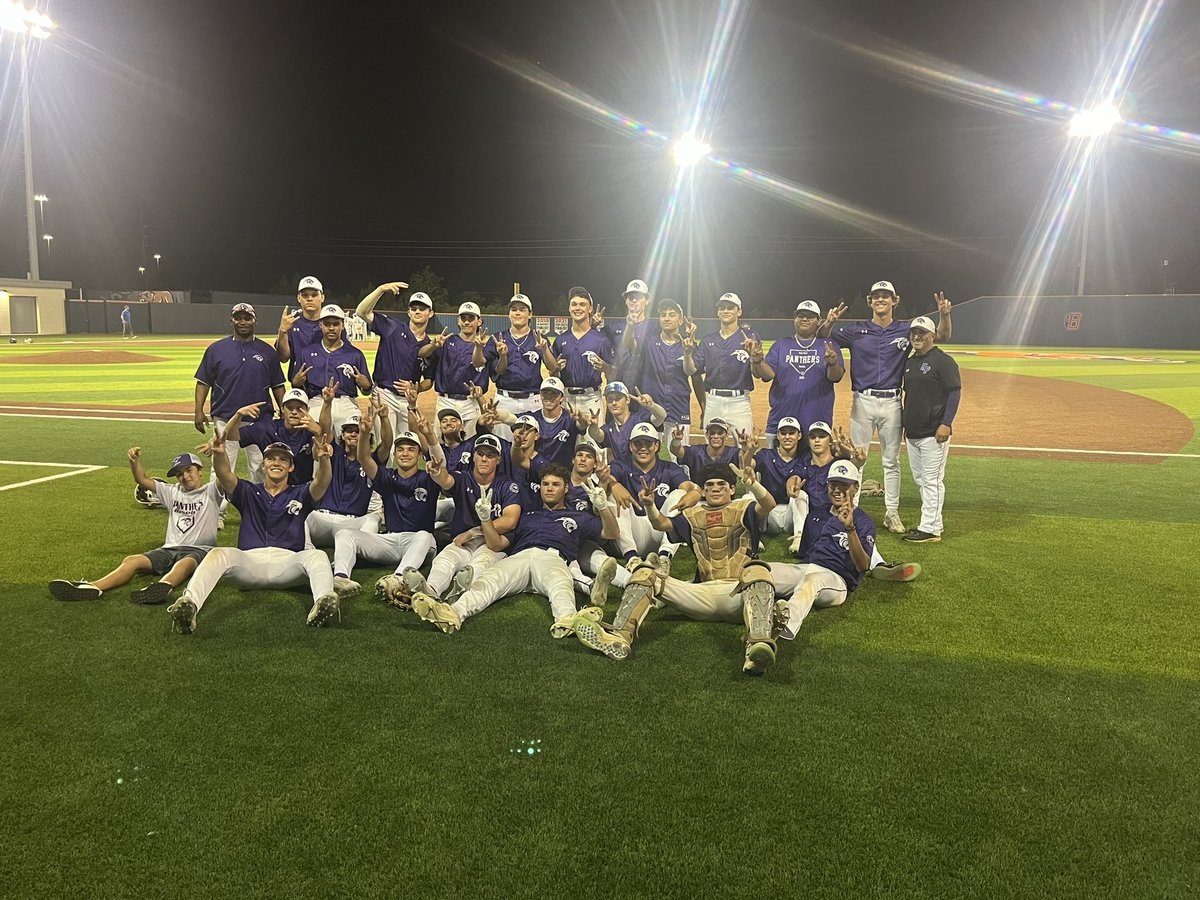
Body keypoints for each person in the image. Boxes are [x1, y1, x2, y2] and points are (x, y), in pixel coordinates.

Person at [570, 461, 782, 674]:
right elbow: (661, 524)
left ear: (732, 489)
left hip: (739, 596)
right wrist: (650, 505)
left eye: (721, 484)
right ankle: (620, 636)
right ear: (703, 491)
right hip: (702, 595)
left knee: (758, 570)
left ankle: (757, 644)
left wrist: (753, 484)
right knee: (646, 572)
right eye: (709, 485)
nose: (715, 489)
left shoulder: (744, 508)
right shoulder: (692, 515)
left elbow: (769, 505)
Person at [408, 463, 620, 637]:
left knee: (560, 586)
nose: (549, 488)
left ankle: (568, 621)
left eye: (556, 484)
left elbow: (611, 533)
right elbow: (496, 545)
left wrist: (603, 507)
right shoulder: (528, 516)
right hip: (520, 556)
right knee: (488, 582)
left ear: (566, 489)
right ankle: (452, 613)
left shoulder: (578, 517)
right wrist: (485, 521)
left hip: (553, 557)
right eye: (545, 484)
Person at [167, 434, 339, 634]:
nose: (277, 462)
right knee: (218, 553)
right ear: (263, 465)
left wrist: (324, 459)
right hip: (250, 563)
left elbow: (322, 481)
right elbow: (224, 474)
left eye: (283, 459)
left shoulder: (300, 492)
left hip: (289, 564)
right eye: (271, 458)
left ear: (291, 467)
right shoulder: (248, 491)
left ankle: (322, 604)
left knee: (317, 555)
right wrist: (220, 454)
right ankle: (189, 604)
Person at [818, 280, 952, 534]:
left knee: (891, 462)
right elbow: (824, 336)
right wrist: (830, 321)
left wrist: (944, 315)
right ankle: (851, 509)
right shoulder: (857, 330)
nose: (881, 299)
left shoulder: (905, 330)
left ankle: (892, 512)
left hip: (892, 401)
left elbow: (942, 335)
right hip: (863, 400)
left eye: (885, 296)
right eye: (876, 296)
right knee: (857, 458)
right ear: (870, 301)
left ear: (894, 301)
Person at [49, 449, 220, 605]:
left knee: (185, 564)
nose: (185, 477)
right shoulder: (172, 491)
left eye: (189, 470)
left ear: (200, 470)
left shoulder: (211, 492)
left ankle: (162, 587)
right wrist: (134, 461)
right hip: (168, 549)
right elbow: (142, 480)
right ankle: (93, 587)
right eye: (179, 474)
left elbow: (224, 475)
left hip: (199, 550)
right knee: (132, 561)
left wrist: (219, 454)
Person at [380, 431, 523, 608]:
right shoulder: (464, 478)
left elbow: (510, 520)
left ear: (498, 460)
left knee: (477, 568)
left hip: (492, 543)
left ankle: (458, 599)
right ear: (474, 457)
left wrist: (473, 531)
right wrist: (436, 472)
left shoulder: (507, 485)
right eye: (480, 454)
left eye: (490, 455)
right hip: (462, 543)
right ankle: (430, 593)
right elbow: (446, 479)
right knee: (444, 560)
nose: (484, 459)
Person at [328, 408, 440, 596]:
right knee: (345, 534)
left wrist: (430, 437)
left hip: (418, 543)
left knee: (425, 535)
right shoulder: (387, 477)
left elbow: (440, 461)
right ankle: (340, 578)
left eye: (411, 449)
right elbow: (364, 458)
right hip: (390, 539)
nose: (405, 454)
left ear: (420, 455)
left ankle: (397, 580)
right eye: (401, 450)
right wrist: (364, 433)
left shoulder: (429, 477)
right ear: (394, 454)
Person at [193, 302, 286, 510]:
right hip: (225, 417)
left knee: (260, 468)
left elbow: (278, 385)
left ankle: (258, 509)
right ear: (232, 320)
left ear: (254, 321)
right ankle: (216, 513)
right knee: (221, 467)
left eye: (247, 318)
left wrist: (284, 410)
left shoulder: (267, 351)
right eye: (239, 318)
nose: (243, 322)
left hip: (260, 421)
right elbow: (203, 382)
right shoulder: (216, 349)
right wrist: (198, 411)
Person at [900, 316, 961, 543]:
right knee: (920, 479)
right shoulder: (910, 362)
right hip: (914, 432)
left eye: (922, 333)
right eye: (914, 333)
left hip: (934, 432)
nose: (917, 337)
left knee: (932, 480)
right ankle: (935, 522)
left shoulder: (943, 361)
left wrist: (946, 423)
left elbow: (954, 392)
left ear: (932, 336)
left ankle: (930, 528)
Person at [753, 300, 845, 444]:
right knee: (776, 466)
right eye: (800, 315)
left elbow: (836, 377)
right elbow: (768, 375)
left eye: (810, 316)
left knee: (815, 466)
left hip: (817, 424)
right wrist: (758, 361)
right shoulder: (781, 345)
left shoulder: (828, 346)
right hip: (782, 422)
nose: (804, 319)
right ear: (794, 319)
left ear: (818, 320)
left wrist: (833, 363)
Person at [356, 281, 440, 435]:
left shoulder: (431, 345)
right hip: (384, 394)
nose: (417, 311)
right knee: (385, 449)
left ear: (431, 313)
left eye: (422, 309)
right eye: (413, 308)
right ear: (408, 312)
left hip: (409, 400)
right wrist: (380, 289)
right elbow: (361, 312)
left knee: (410, 445)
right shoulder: (393, 327)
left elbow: (429, 380)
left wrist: (417, 388)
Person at [305, 404, 391, 549]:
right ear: (343, 435)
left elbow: (387, 443)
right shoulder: (333, 453)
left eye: (357, 431)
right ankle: (308, 550)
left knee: (373, 519)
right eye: (349, 431)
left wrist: (384, 418)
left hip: (352, 525)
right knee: (300, 512)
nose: (353, 434)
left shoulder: (372, 461)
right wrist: (327, 403)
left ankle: (354, 552)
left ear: (366, 435)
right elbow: (325, 431)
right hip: (322, 519)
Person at [483, 294, 556, 442]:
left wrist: (544, 349)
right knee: (502, 445)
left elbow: (552, 367)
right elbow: (497, 370)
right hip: (504, 399)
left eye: (522, 309)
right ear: (509, 314)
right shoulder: (498, 338)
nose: (517, 313)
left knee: (530, 445)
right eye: (514, 309)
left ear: (530, 314)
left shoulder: (539, 338)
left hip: (532, 400)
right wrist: (503, 356)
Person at [684, 292, 758, 434]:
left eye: (730, 307)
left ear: (739, 311)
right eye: (722, 307)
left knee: (744, 446)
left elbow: (757, 373)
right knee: (711, 448)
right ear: (718, 312)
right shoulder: (707, 340)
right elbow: (691, 370)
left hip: (740, 402)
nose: (725, 310)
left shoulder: (750, 338)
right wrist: (687, 354)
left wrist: (755, 357)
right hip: (713, 401)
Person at [292, 304, 372, 430]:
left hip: (346, 402)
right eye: (327, 324)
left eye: (335, 324)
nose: (331, 328)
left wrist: (366, 385)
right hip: (317, 401)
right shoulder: (306, 353)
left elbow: (366, 390)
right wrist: (296, 383)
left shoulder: (355, 354)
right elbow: (297, 385)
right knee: (310, 438)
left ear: (342, 325)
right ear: (320, 325)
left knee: (356, 437)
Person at [224, 388, 326, 486]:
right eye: (289, 407)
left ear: (307, 410)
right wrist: (238, 415)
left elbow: (318, 456)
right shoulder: (267, 428)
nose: (294, 412)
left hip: (302, 489)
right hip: (273, 488)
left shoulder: (312, 429)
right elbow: (229, 435)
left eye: (299, 408)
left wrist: (318, 433)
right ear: (282, 408)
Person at [419, 301, 491, 437]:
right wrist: (433, 346)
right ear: (458, 321)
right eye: (463, 319)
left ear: (479, 321)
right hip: (446, 401)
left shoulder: (483, 348)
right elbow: (422, 353)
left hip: (471, 402)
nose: (467, 322)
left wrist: (480, 389)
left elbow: (483, 375)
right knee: (441, 445)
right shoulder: (446, 341)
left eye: (471, 319)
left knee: (470, 446)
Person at [740, 416, 809, 549]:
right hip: (767, 514)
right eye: (783, 433)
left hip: (791, 517)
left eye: (792, 433)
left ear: (799, 435)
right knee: (748, 497)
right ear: (777, 435)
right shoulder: (766, 455)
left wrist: (793, 487)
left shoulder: (804, 457)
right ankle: (751, 536)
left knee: (802, 495)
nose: (787, 436)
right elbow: (748, 466)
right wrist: (750, 451)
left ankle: (799, 538)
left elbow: (796, 477)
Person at [628, 299, 692, 441]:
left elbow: (690, 371)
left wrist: (687, 353)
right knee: (647, 455)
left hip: (678, 407)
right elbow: (630, 344)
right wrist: (630, 327)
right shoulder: (649, 341)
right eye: (663, 315)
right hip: (650, 408)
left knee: (680, 459)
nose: (667, 318)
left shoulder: (687, 346)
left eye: (671, 314)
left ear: (680, 320)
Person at [550, 286, 613, 419]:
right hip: (566, 399)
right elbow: (552, 374)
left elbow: (612, 373)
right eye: (574, 304)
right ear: (569, 308)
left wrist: (606, 368)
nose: (577, 308)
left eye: (582, 304)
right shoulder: (561, 339)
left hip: (591, 399)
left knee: (593, 439)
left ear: (590, 309)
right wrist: (555, 370)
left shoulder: (601, 339)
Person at [588, 381, 666, 466]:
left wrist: (651, 405)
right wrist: (594, 425)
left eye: (618, 398)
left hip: (647, 471)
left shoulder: (640, 419)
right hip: (623, 474)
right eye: (610, 400)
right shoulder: (609, 428)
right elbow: (596, 434)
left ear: (628, 400)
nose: (614, 403)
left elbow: (661, 417)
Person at [275, 276, 326, 380]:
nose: (309, 298)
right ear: (299, 298)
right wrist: (282, 331)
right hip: (299, 385)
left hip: (326, 383)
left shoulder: (331, 323)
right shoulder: (292, 323)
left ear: (322, 298)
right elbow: (283, 358)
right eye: (305, 295)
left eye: (314, 295)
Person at [604, 278, 652, 383]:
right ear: (626, 301)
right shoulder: (612, 327)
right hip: (618, 385)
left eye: (638, 297)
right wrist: (593, 325)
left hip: (645, 384)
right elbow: (596, 342)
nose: (634, 301)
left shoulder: (654, 328)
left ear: (647, 300)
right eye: (630, 298)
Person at [670, 416, 739, 476]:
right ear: (706, 435)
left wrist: (748, 448)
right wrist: (676, 440)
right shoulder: (696, 452)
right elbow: (676, 451)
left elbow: (746, 459)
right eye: (712, 433)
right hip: (700, 490)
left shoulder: (733, 453)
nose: (715, 436)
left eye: (720, 433)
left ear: (727, 436)